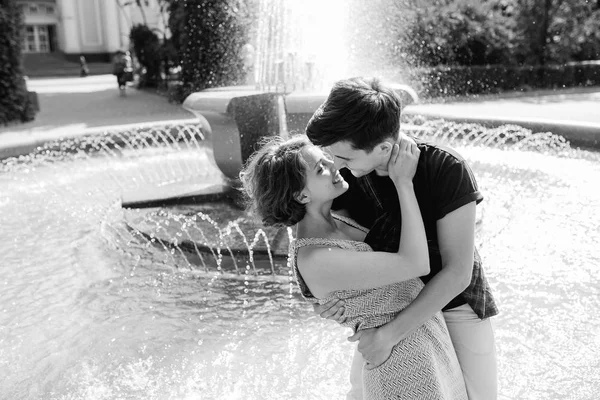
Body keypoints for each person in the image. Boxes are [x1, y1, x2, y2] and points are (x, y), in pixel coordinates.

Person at [305, 77, 498, 400]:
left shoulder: (445, 168)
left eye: (346, 158)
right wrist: (324, 302)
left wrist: (388, 336)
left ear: (383, 148)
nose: (336, 166)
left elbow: (457, 272)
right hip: (386, 308)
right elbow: (319, 249)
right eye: (332, 155)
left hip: (455, 306)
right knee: (362, 394)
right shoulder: (344, 181)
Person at [240, 134, 468, 399]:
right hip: (402, 368)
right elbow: (415, 263)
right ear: (301, 195)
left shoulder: (337, 219)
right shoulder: (316, 257)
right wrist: (403, 182)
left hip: (425, 345)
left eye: (326, 159)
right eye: (320, 169)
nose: (333, 166)